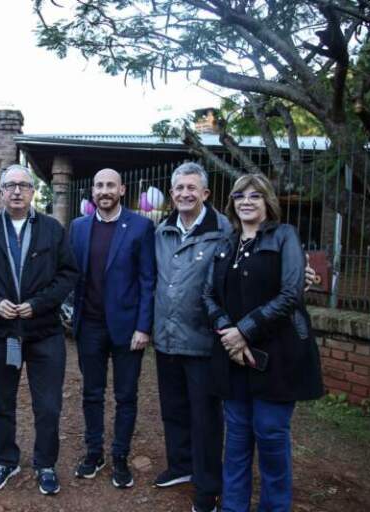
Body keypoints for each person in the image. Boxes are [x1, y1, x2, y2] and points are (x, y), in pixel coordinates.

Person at [202, 173, 324, 512]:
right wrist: (228, 331)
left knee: (271, 438)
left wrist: (244, 331)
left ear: (267, 201)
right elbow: (209, 294)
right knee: (237, 442)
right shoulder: (226, 242)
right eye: (240, 195)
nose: (246, 201)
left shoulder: (285, 236)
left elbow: (290, 294)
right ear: (232, 203)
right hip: (234, 358)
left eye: (255, 196)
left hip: (278, 359)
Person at [0, 164, 78, 496]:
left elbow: (68, 274)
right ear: (1, 192)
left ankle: (45, 464)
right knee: (2, 402)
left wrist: (40, 303)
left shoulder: (52, 229)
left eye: (24, 185)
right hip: (1, 333)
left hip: (44, 332)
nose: (17, 191)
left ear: (33, 192)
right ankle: (6, 460)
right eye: (10, 186)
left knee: (48, 405)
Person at [69, 168, 156, 488]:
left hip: (127, 329)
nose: (104, 190)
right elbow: (71, 276)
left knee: (126, 396)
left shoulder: (141, 226)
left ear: (121, 190)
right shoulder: (78, 228)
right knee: (92, 394)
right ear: (93, 191)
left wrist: (144, 326)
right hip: (89, 326)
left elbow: (148, 281)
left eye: (110, 185)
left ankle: (120, 456)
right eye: (99, 185)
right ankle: (94, 453)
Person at [153, 162, 230, 512]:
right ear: (172, 193)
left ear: (205, 194)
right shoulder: (162, 231)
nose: (185, 193)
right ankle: (181, 465)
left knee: (206, 418)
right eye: (179, 188)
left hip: (202, 341)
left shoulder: (223, 232)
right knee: (173, 409)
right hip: (166, 339)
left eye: (191, 188)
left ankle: (208, 485)